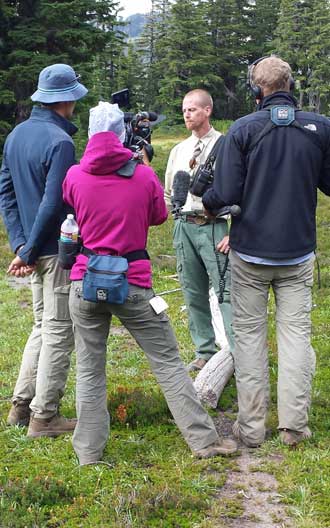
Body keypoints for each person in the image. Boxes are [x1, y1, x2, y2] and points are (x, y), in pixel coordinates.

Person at [63, 102, 237, 465]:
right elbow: (159, 216)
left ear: (92, 133)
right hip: (133, 283)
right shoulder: (141, 175)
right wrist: (139, 165)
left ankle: (88, 454)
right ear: (123, 133)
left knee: (90, 369)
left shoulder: (75, 175)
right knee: (168, 362)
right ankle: (203, 442)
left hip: (84, 281)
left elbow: (73, 206)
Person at [203, 56, 330, 447]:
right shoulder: (320, 128)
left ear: (256, 90)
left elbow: (223, 195)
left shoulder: (243, 129)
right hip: (298, 253)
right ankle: (294, 427)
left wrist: (203, 195)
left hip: (250, 253)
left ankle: (252, 427)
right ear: (290, 87)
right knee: (295, 338)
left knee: (250, 338)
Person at [0, 63, 88, 437]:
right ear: (66, 100)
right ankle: (45, 416)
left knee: (41, 326)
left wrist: (20, 244)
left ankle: (21, 406)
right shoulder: (61, 142)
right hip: (55, 251)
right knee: (58, 331)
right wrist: (32, 248)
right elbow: (54, 205)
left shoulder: (17, 134)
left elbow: (6, 193)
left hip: (34, 249)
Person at [164, 89, 233, 371]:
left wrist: (234, 232)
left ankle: (236, 351)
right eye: (183, 110)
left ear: (207, 110)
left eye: (192, 109)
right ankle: (204, 350)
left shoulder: (226, 146)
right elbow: (169, 191)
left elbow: (242, 193)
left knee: (226, 291)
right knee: (193, 291)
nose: (186, 114)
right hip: (185, 225)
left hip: (215, 226)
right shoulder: (179, 150)